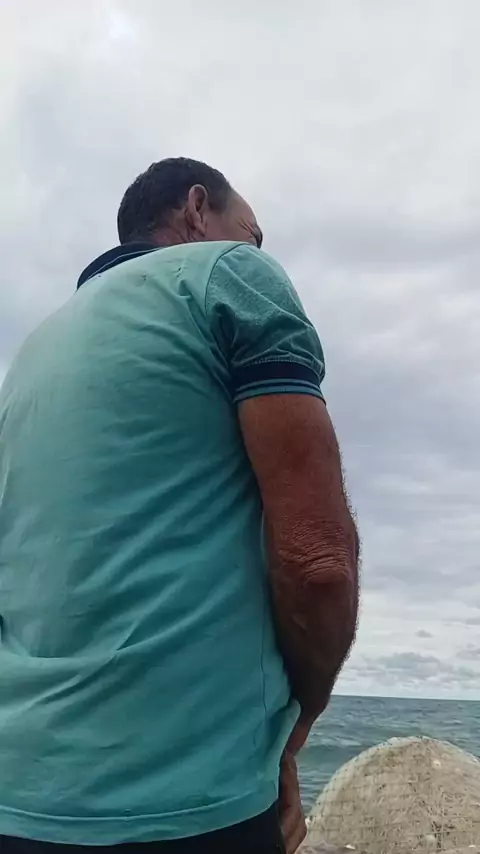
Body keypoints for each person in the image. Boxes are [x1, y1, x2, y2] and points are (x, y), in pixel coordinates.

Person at [0, 158, 359, 854]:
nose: (256, 249)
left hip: (19, 799)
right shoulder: (228, 274)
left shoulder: (32, 354)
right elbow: (318, 564)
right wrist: (296, 725)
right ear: (197, 210)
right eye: (251, 233)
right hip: (189, 808)